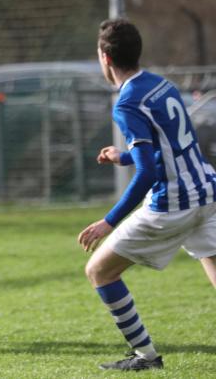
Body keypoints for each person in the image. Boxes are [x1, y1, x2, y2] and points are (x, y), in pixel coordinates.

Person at [77, 18, 216, 371]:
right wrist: (123, 156)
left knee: (99, 271)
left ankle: (146, 356)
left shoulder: (127, 103)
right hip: (207, 191)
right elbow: (168, 149)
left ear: (106, 59)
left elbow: (149, 172)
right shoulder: (161, 84)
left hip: (173, 204)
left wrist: (108, 222)